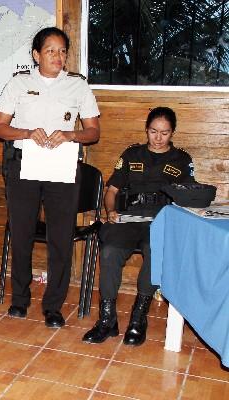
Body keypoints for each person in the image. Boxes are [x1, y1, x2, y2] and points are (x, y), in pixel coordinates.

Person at [0, 27, 101, 328]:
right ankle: (20, 299)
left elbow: (93, 132)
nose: (58, 56)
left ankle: (53, 305)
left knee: (61, 238)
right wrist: (27, 132)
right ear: (36, 55)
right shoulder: (18, 83)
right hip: (24, 164)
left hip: (62, 167)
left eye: (63, 51)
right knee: (22, 233)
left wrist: (70, 134)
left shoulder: (78, 87)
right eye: (51, 50)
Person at [83, 106, 195, 346]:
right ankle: (107, 319)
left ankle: (138, 319)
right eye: (153, 131)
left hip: (160, 221)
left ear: (172, 133)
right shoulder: (132, 154)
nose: (158, 137)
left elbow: (189, 196)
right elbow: (111, 191)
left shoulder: (182, 160)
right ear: (146, 129)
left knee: (156, 252)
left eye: (164, 133)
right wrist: (110, 211)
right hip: (127, 218)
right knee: (110, 250)